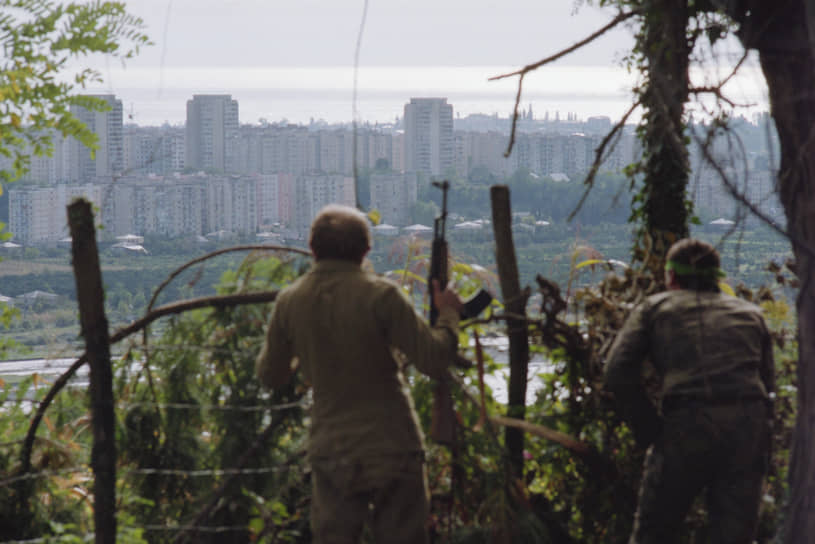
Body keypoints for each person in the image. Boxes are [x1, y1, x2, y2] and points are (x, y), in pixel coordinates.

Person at [255, 204, 463, 544]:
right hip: (393, 446)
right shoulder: (382, 296)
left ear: (312, 248)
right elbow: (434, 358)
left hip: (332, 449)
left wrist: (305, 354)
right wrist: (449, 314)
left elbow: (270, 375)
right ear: (366, 250)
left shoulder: (290, 301)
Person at [604, 238, 775, 544]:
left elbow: (617, 371)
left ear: (671, 276)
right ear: (717, 277)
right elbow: (768, 385)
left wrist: (649, 429)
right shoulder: (749, 313)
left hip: (686, 424)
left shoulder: (656, 308)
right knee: (735, 535)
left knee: (655, 533)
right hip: (747, 426)